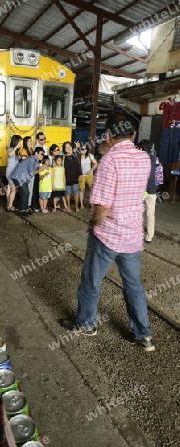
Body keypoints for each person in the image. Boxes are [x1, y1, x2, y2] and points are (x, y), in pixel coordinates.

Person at [61, 111, 155, 352]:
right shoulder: (145, 159)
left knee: (91, 282)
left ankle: (87, 324)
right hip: (133, 236)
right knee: (133, 285)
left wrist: (93, 224)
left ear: (109, 135)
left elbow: (102, 206)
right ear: (133, 135)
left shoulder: (109, 162)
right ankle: (143, 335)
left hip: (108, 236)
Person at [11, 148, 45, 217]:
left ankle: (24, 209)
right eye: (41, 154)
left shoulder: (35, 161)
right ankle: (23, 210)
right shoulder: (32, 159)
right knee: (26, 192)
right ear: (36, 153)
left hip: (23, 178)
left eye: (43, 154)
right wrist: (40, 170)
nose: (42, 156)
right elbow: (31, 173)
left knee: (26, 193)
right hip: (18, 177)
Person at [137, 139, 157, 244]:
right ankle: (149, 237)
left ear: (140, 149)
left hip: (141, 190)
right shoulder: (153, 158)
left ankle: (137, 234)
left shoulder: (138, 160)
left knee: (136, 213)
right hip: (152, 190)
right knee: (150, 214)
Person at [63, 141, 82, 212]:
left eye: (69, 147)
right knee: (67, 193)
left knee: (76, 192)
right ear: (64, 149)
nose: (68, 148)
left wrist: (80, 175)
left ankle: (77, 206)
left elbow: (79, 165)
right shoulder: (63, 157)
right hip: (66, 177)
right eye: (66, 147)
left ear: (72, 147)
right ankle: (68, 206)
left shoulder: (75, 155)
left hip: (75, 176)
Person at [5, 135, 22, 212]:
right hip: (11, 172)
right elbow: (10, 154)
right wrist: (16, 147)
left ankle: (8, 205)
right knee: (14, 190)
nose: (20, 143)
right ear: (16, 142)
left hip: (13, 171)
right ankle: (10, 206)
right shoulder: (10, 149)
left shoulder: (17, 151)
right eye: (19, 142)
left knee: (9, 189)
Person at [79, 143, 98, 210]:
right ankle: (81, 204)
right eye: (82, 149)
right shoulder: (78, 157)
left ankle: (91, 202)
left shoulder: (90, 156)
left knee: (91, 188)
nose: (83, 150)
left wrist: (91, 170)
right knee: (81, 189)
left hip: (90, 175)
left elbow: (95, 164)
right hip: (82, 175)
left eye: (85, 149)